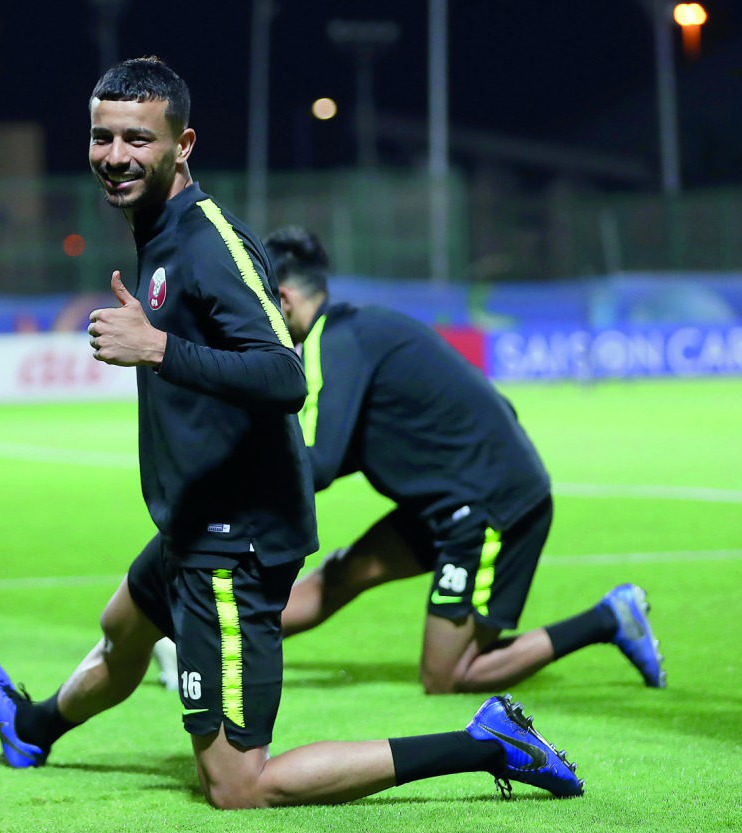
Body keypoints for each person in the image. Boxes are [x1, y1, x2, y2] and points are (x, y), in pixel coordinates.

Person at [0, 57, 583, 809]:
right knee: (124, 625)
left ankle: (486, 742)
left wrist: (156, 346)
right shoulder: (158, 229)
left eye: (137, 138)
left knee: (238, 783)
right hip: (200, 514)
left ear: (181, 144)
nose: (115, 156)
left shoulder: (208, 243)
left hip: (234, 536)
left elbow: (284, 377)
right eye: (102, 138)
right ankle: (33, 727)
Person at [259, 226, 665, 693]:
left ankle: (608, 619)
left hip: (492, 507)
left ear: (284, 299)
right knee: (345, 573)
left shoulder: (332, 343)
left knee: (447, 675)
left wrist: (236, 487)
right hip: (449, 500)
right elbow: (355, 448)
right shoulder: (357, 329)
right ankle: (209, 643)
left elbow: (320, 465)